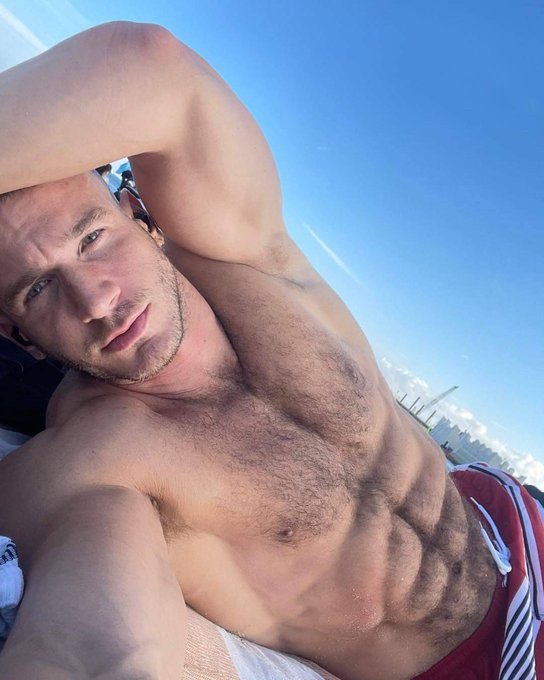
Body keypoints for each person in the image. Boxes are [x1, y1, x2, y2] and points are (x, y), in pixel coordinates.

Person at [0, 21, 541, 680]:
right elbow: (83, 645)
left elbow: (155, 68)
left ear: (140, 220)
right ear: (18, 333)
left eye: (92, 240)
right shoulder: (95, 455)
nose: (96, 298)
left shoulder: (257, 270)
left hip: (508, 525)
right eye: (39, 289)